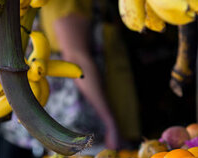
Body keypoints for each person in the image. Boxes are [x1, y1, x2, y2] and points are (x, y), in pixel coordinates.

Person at [40, 0, 141, 149]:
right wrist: (109, 124)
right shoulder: (66, 3)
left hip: (109, 122)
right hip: (93, 129)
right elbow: (76, 60)